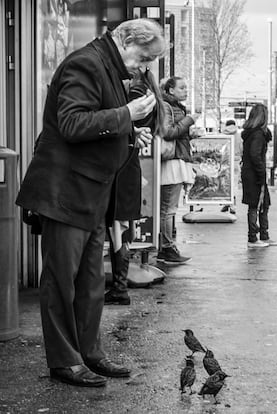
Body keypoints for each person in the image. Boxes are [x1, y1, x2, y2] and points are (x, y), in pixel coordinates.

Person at [15, 18, 165, 387]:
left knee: (91, 282)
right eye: (144, 57)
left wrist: (130, 133)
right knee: (62, 281)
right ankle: (66, 360)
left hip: (89, 192)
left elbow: (97, 120)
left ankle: (90, 353)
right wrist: (127, 116)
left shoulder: (107, 65)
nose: (145, 67)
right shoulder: (86, 63)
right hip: (66, 193)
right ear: (126, 40)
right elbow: (71, 123)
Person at [104, 67, 167, 306]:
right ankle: (119, 287)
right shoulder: (148, 90)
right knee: (121, 229)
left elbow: (124, 126)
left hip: (121, 169)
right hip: (130, 168)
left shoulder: (137, 92)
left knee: (117, 229)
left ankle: (119, 289)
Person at [156, 76, 200, 264]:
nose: (186, 91)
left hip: (175, 160)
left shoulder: (172, 106)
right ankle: (167, 248)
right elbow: (168, 132)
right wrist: (189, 120)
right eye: (182, 88)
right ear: (171, 90)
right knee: (168, 209)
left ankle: (167, 246)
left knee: (168, 208)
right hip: (172, 162)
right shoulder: (167, 106)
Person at [241, 103, 277, 248]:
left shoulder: (251, 133)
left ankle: (263, 235)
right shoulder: (258, 134)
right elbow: (255, 154)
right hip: (255, 174)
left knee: (262, 204)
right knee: (256, 205)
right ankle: (253, 237)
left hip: (250, 172)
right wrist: (261, 172)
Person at [220, 119, 242, 214]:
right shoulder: (239, 136)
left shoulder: (223, 136)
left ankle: (226, 203)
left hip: (225, 163)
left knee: (225, 184)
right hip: (236, 162)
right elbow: (242, 149)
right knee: (234, 185)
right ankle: (233, 206)